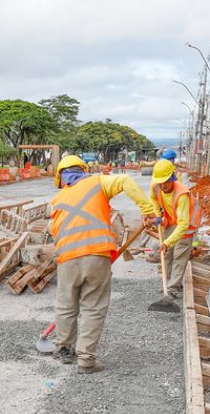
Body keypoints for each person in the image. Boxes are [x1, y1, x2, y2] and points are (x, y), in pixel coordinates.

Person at [49, 155, 157, 373]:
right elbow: (126, 181)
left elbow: (54, 231)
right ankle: (86, 360)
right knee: (93, 306)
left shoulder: (57, 200)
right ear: (82, 169)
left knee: (66, 304)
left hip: (67, 257)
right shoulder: (98, 182)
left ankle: (63, 349)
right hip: (97, 255)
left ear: (61, 177)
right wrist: (147, 209)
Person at [150, 160, 202, 297]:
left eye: (166, 182)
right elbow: (153, 199)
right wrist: (157, 215)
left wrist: (167, 242)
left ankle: (173, 288)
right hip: (171, 221)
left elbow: (183, 225)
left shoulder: (182, 194)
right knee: (166, 254)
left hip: (186, 224)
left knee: (179, 256)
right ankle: (166, 284)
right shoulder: (156, 187)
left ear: (172, 178)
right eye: (160, 183)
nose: (163, 186)